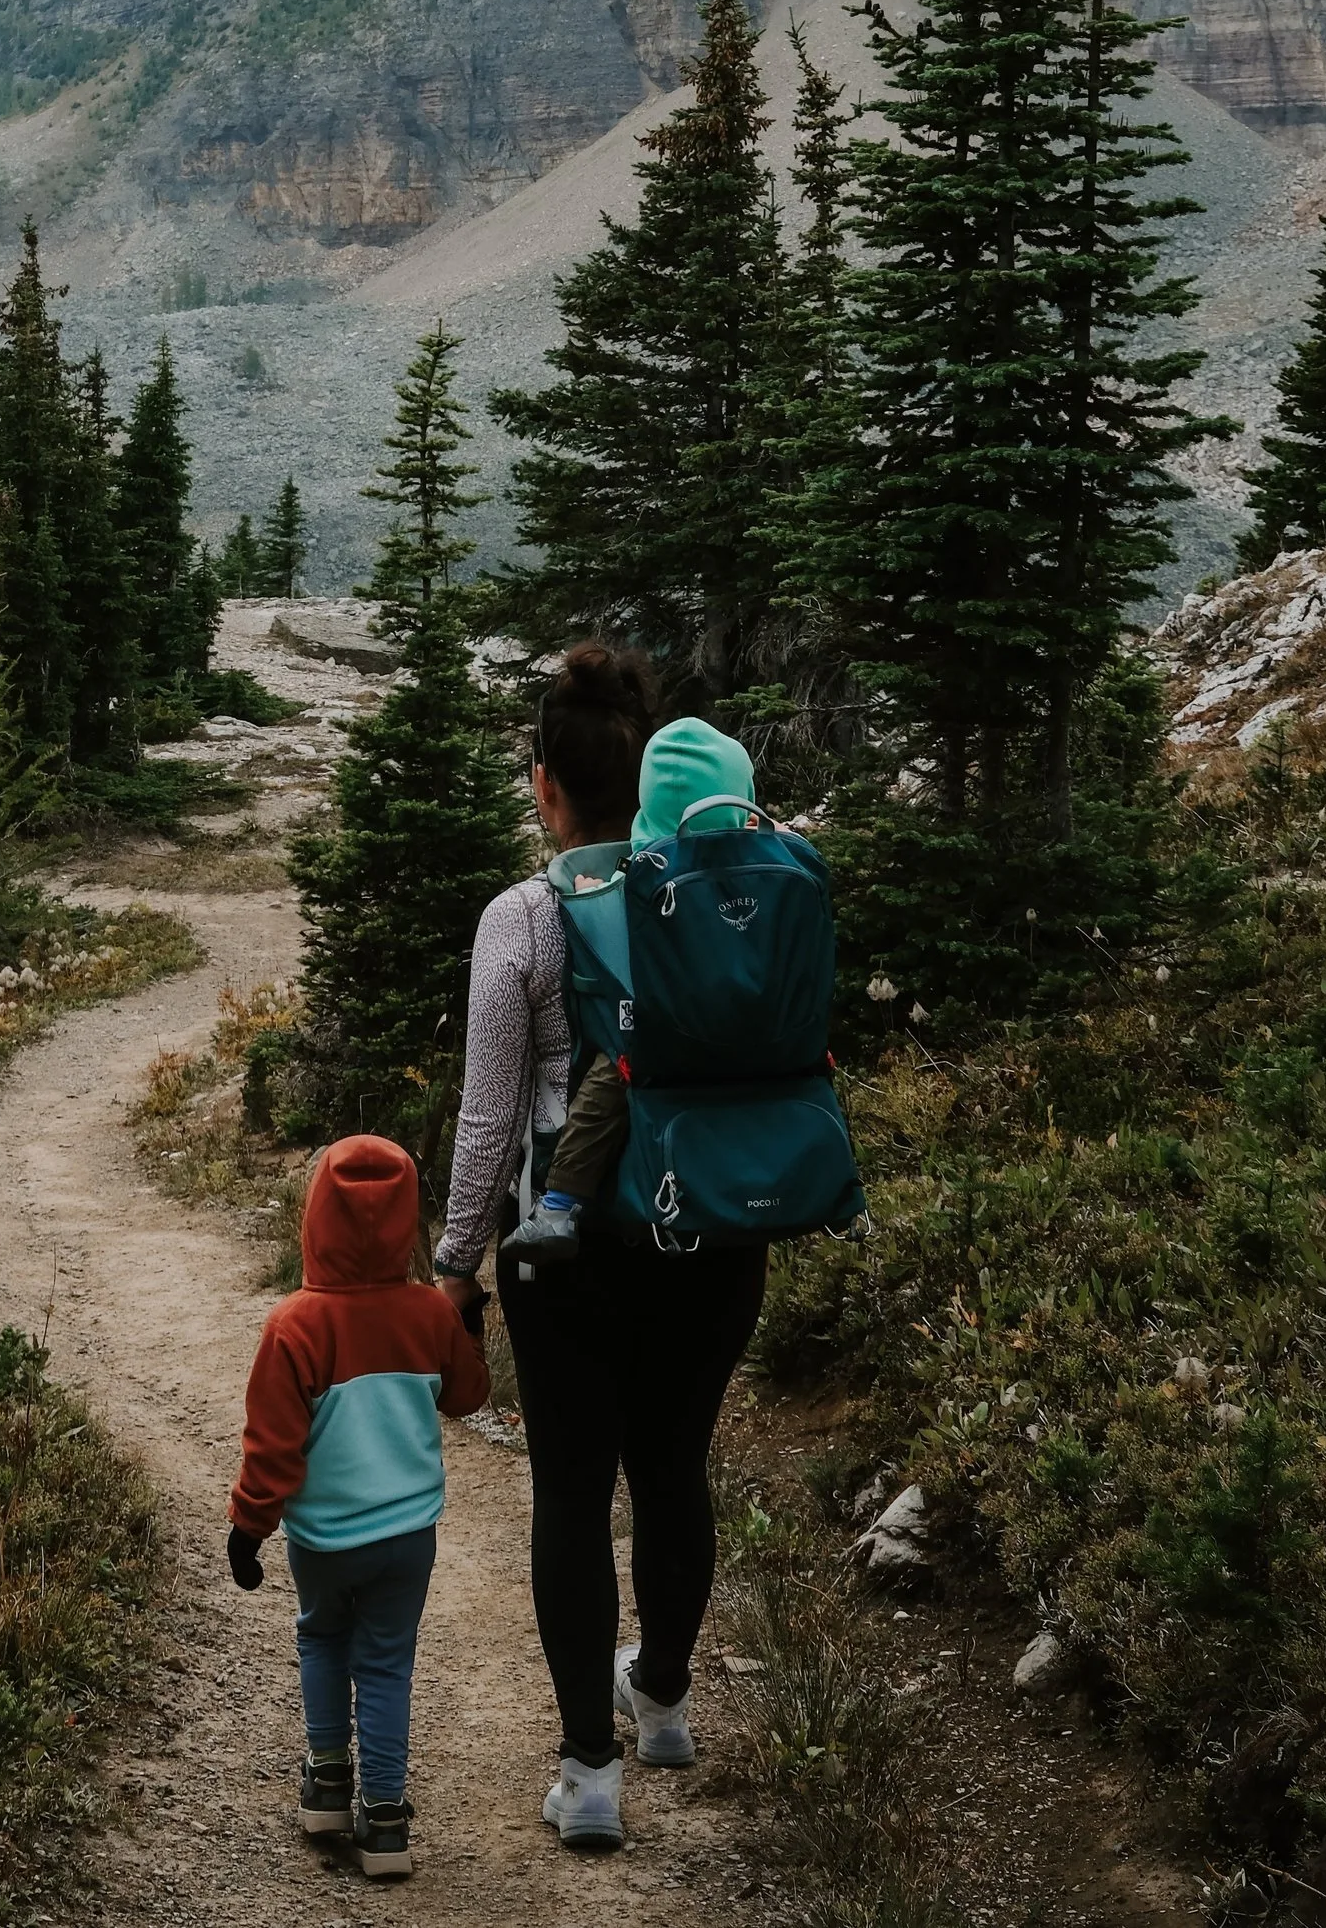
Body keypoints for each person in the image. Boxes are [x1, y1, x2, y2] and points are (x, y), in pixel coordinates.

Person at [433, 651, 770, 1854]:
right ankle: (665, 1701)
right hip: (713, 1232)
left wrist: (451, 1263)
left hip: (564, 1249)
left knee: (572, 1493)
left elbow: (486, 1119)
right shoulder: (716, 895)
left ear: (543, 785)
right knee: (676, 1468)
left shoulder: (521, 918)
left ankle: (588, 1772)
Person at [227, 1130, 490, 1879]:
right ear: (407, 1219)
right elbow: (470, 1394)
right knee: (384, 1665)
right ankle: (385, 1821)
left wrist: (249, 1527)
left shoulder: (293, 1326)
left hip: (323, 1538)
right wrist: (466, 1321)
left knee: (321, 1637)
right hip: (408, 1535)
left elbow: (272, 1449)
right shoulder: (427, 1312)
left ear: (317, 1218)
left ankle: (328, 1782)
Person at [502, 717, 761, 1252]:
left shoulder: (648, 875)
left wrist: (595, 892)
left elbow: (621, 947)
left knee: (612, 1071)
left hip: (669, 1036)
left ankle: (559, 1204)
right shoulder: (762, 873)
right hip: (751, 1036)